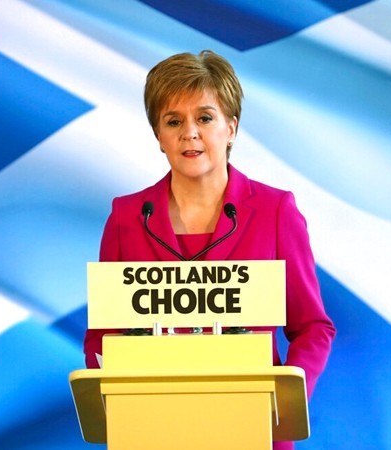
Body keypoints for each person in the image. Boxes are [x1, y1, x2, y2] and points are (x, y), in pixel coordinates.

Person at [83, 50, 335, 449]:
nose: (190, 133)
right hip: (152, 433)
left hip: (254, 433)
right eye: (173, 121)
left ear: (230, 128)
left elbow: (313, 328)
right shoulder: (126, 217)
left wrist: (283, 404)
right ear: (158, 135)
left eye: (204, 117)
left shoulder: (275, 211)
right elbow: (102, 337)